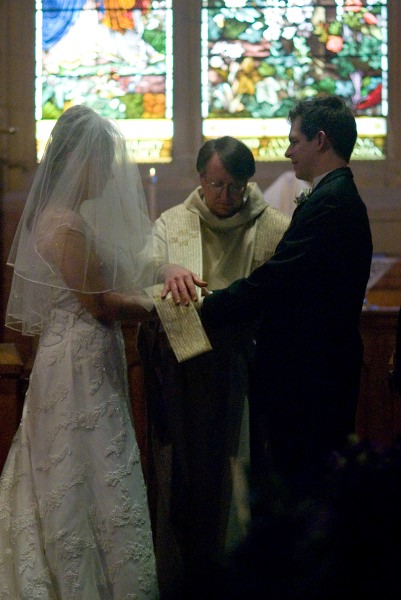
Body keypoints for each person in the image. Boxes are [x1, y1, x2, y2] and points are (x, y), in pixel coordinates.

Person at [164, 96, 373, 501]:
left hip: (312, 377)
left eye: (294, 141)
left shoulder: (332, 201)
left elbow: (277, 280)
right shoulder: (333, 195)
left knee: (305, 491)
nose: (288, 151)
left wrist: (207, 305)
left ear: (321, 141)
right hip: (316, 371)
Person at [0, 105, 159, 598]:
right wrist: (155, 306)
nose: (109, 174)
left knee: (74, 465)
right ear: (80, 162)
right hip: (78, 363)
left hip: (74, 356)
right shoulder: (66, 226)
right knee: (85, 468)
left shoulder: (63, 220)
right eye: (103, 162)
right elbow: (99, 303)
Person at [138, 136, 290, 598]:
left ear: (248, 183)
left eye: (236, 186)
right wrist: (166, 270)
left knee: (241, 469)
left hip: (246, 366)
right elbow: (146, 265)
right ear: (200, 179)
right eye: (217, 185)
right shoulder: (174, 222)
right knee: (190, 477)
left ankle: (240, 573)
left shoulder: (273, 226)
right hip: (186, 370)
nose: (226, 196)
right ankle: (190, 573)